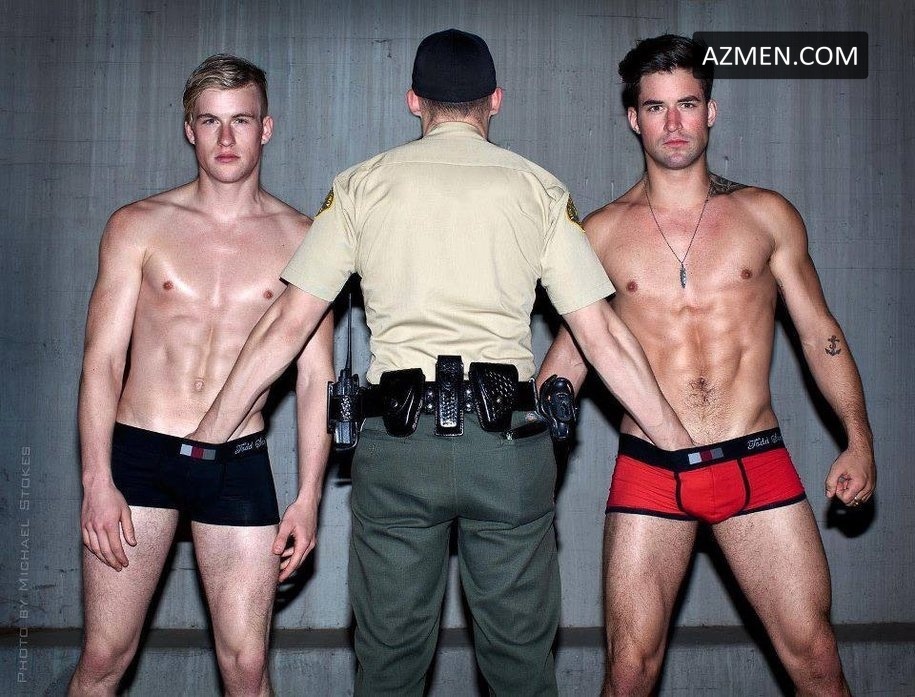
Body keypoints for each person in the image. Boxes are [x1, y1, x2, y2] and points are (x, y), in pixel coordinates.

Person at [189, 29, 691, 697]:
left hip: (399, 449)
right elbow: (600, 334)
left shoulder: (361, 185)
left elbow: (288, 324)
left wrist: (207, 436)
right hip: (507, 449)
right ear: (496, 100)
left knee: (389, 667)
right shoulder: (538, 188)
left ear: (413, 101)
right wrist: (680, 446)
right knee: (521, 668)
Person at [538, 34, 876, 697]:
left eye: (687, 104)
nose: (673, 123)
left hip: (753, 459)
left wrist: (857, 439)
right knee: (629, 672)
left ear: (710, 112)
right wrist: (525, 472)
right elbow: (567, 365)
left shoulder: (765, 216)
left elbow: (820, 335)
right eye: (655, 107)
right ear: (633, 118)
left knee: (815, 659)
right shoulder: (599, 234)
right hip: (651, 470)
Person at [69, 54, 334, 697]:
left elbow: (315, 381)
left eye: (240, 120)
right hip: (140, 456)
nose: (225, 137)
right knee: (104, 657)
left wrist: (309, 496)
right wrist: (97, 478)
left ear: (265, 128)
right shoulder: (137, 226)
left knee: (246, 669)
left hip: (236, 461)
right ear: (190, 129)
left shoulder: (307, 239)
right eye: (210, 121)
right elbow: (102, 361)